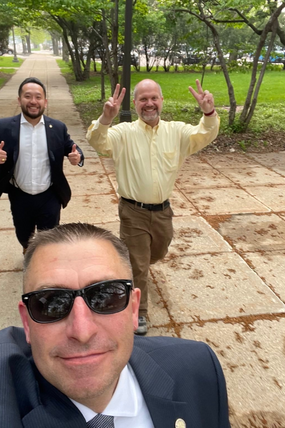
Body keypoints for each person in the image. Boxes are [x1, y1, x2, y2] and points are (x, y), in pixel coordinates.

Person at [0, 223, 230, 427]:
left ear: (134, 308)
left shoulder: (198, 369)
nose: (82, 331)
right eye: (51, 303)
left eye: (105, 297)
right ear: (26, 321)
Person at [86, 79, 220, 335]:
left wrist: (209, 113)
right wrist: (105, 119)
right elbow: (97, 141)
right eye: (143, 99)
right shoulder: (123, 133)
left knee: (157, 253)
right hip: (132, 211)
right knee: (138, 265)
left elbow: (204, 134)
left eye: (153, 98)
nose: (149, 104)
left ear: (161, 101)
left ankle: (135, 267)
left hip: (163, 212)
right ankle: (139, 312)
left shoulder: (176, 131)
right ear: (135, 103)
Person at [0, 77, 84, 252]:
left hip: (49, 194)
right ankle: (27, 248)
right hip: (20, 194)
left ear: (45, 102)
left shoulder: (57, 127)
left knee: (50, 237)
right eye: (28, 96)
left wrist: (77, 156)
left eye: (38, 97)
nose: (33, 101)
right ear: (19, 100)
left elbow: (72, 147)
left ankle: (43, 259)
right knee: (23, 233)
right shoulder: (3, 126)